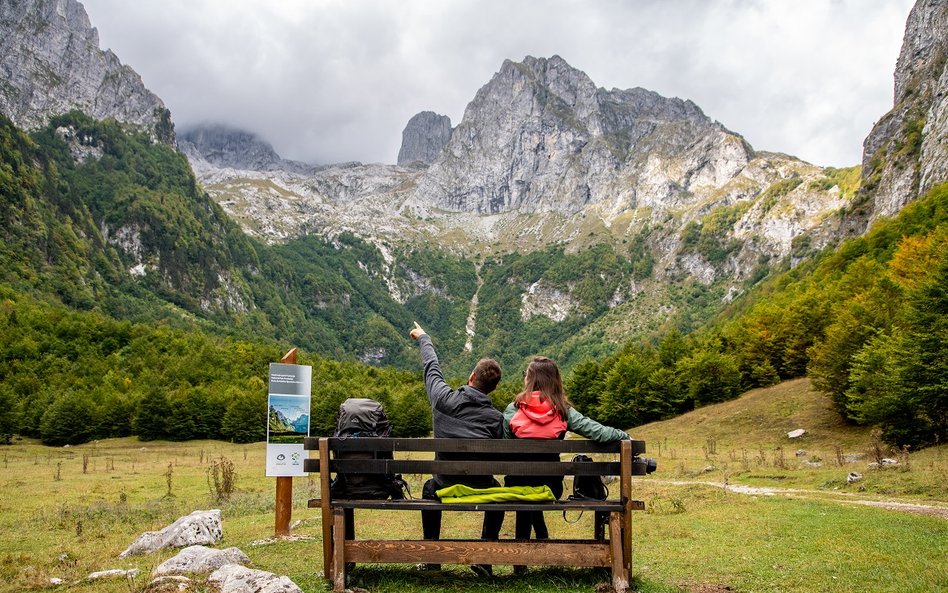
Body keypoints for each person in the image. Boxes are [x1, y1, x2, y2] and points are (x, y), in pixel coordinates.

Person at [503, 355, 629, 573]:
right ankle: (540, 541)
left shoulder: (513, 410)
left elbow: (503, 446)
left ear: (530, 380)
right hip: (551, 486)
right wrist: (624, 435)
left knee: (523, 487)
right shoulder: (563, 410)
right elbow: (597, 431)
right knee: (534, 488)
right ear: (555, 380)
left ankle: (520, 562)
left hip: (516, 485)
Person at [409, 321, 504, 576]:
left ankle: (432, 557)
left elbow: (432, 369)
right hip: (482, 486)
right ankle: (484, 557)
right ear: (493, 388)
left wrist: (424, 338)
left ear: (471, 378)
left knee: (429, 488)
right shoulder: (495, 419)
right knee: (498, 491)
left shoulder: (443, 400)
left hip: (444, 484)